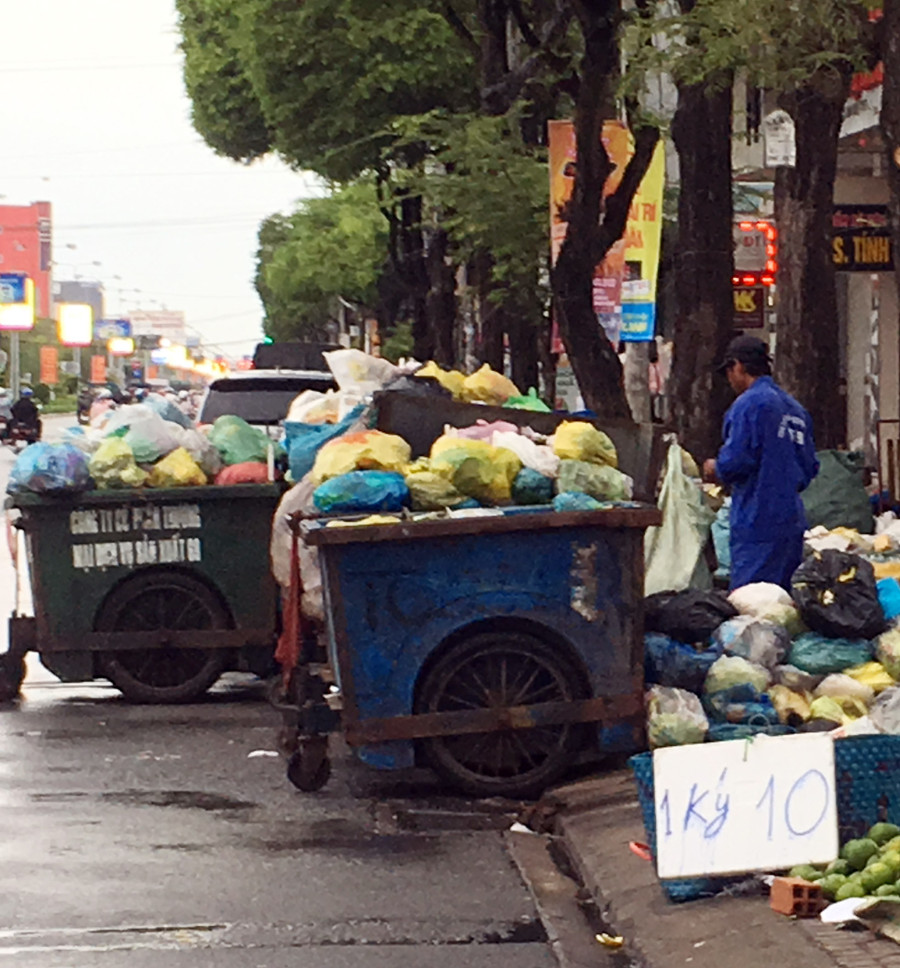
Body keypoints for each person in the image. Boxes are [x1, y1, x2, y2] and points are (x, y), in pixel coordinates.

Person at [702, 335, 819, 591]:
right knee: (783, 603)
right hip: (791, 520)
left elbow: (736, 461)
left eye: (729, 371)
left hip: (757, 520)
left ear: (738, 365)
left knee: (752, 603)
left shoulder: (748, 404)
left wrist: (714, 468)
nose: (730, 379)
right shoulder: (796, 410)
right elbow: (810, 467)